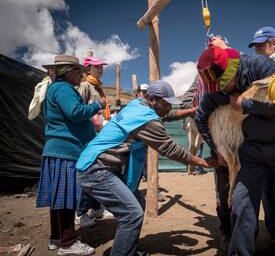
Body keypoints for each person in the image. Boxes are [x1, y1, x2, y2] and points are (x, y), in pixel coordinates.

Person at [195, 44, 275, 256]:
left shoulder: (261, 65)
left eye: (224, 84)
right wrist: (218, 149)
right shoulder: (216, 90)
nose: (222, 90)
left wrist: (245, 104)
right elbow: (201, 118)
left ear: (233, 69)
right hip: (252, 153)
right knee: (241, 205)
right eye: (217, 87)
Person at [76, 80, 215, 256]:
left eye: (169, 104)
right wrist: (203, 162)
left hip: (100, 165)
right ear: (151, 98)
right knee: (132, 214)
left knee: (137, 205)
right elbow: (171, 150)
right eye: (165, 103)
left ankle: (127, 250)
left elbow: (166, 115)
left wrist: (188, 112)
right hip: (96, 170)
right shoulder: (147, 119)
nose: (167, 108)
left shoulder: (137, 105)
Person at [36, 55, 103, 256]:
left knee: (59, 198)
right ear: (68, 71)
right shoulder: (63, 88)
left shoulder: (57, 88)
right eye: (78, 71)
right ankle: (69, 243)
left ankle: (57, 238)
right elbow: (75, 112)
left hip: (58, 150)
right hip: (66, 151)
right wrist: (96, 106)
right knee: (66, 199)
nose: (81, 75)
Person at [76, 56, 113, 228]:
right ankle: (80, 213)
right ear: (88, 69)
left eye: (101, 66)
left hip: (97, 136)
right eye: (97, 66)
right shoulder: (84, 87)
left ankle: (96, 208)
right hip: (87, 136)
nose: (100, 69)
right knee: (89, 171)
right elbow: (78, 111)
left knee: (97, 171)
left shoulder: (98, 88)